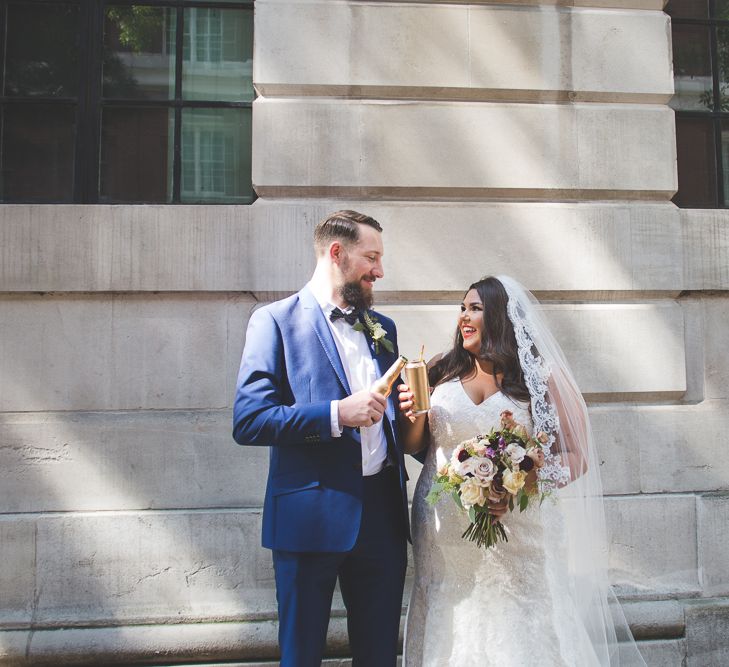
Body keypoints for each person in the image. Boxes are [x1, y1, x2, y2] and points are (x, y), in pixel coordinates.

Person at [397, 275, 646, 666]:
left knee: (518, 624)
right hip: (444, 538)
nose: (464, 316)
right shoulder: (438, 369)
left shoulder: (538, 379)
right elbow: (414, 445)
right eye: (462, 307)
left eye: (475, 308)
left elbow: (575, 454)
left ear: (498, 317)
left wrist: (518, 487)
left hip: (518, 535)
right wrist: (410, 412)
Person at [233, 210, 410, 667]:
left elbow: (389, 418)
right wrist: (337, 414)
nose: (379, 271)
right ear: (337, 253)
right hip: (308, 517)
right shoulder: (273, 321)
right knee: (302, 655)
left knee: (378, 656)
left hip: (382, 518)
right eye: (371, 258)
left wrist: (407, 415)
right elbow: (250, 419)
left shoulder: (382, 328)